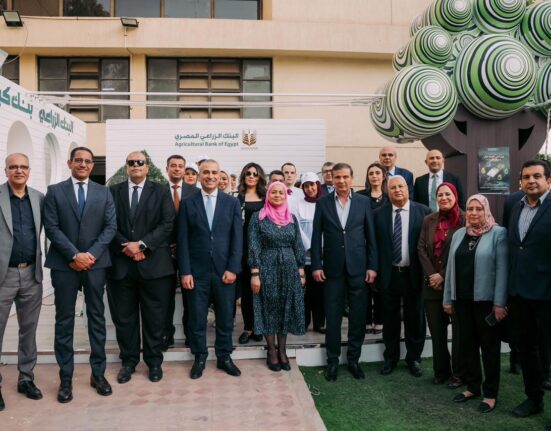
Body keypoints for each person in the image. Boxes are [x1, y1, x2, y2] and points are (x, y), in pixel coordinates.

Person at [44, 147, 117, 403]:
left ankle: (98, 374)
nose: (83, 164)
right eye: (79, 160)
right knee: (64, 321)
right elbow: (51, 227)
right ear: (70, 163)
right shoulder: (55, 191)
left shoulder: (104, 192)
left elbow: (110, 227)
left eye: (87, 161)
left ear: (92, 165)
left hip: (96, 265)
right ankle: (66, 378)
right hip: (65, 265)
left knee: (96, 318)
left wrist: (90, 255)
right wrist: (74, 255)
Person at [107, 151, 175, 385]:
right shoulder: (112, 192)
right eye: (131, 162)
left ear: (147, 167)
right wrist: (126, 246)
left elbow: (167, 224)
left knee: (155, 318)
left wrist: (143, 245)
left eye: (140, 162)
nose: (136, 165)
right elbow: (108, 223)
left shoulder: (161, 190)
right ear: (126, 167)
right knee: (124, 318)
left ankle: (154, 362)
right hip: (122, 265)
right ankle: (129, 361)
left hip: (154, 266)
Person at [311, 162, 378, 382]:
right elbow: (316, 236)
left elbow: (370, 236)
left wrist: (372, 266)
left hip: (359, 268)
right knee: (333, 317)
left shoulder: (363, 202)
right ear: (332, 178)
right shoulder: (322, 203)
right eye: (337, 177)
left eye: (345, 177)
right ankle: (332, 361)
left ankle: (353, 360)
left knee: (358, 316)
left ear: (352, 178)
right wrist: (317, 265)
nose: (341, 181)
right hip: (332, 269)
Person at [178, 159, 243, 379]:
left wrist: (233, 268)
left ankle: (224, 356)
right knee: (197, 318)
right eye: (206, 172)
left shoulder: (231, 203)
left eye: (214, 172)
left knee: (225, 317)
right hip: (196, 273)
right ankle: (200, 357)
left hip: (224, 271)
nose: (210, 176)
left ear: (219, 175)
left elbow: (237, 239)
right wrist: (185, 271)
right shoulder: (188, 203)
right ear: (199, 175)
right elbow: (183, 240)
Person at [443, 194, 507, 413]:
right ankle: (472, 387)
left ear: (486, 210)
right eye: (470, 208)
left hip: (486, 303)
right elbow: (450, 269)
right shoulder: (460, 234)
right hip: (461, 301)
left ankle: (490, 393)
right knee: (467, 346)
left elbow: (502, 271)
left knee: (489, 349)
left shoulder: (498, 234)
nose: (473, 213)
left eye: (478, 208)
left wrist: (500, 303)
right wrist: (447, 298)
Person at [507, 160, 551, 426]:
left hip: (547, 293)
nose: (531, 180)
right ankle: (534, 399)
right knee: (526, 348)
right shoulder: (516, 206)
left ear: (548, 180)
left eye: (537, 176)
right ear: (521, 181)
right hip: (521, 293)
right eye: (526, 177)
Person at [374, 175, 430, 377]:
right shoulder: (378, 214)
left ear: (407, 189)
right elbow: (375, 246)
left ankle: (414, 358)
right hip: (389, 274)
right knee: (390, 319)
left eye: (401, 186)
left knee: (415, 318)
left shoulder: (423, 212)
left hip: (413, 274)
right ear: (387, 191)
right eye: (393, 187)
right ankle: (390, 358)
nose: (397, 190)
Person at [0, 153, 44, 410]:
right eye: (13, 167)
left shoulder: (38, 198)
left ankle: (26, 378)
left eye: (23, 167)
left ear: (29, 170)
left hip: (31, 275)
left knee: (29, 330)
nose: (19, 171)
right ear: (5, 170)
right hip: (2, 276)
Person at [249, 181, 306, 371]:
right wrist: (255, 273)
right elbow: (254, 246)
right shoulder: (258, 217)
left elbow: (298, 244)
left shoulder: (291, 218)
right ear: (268, 195)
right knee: (268, 307)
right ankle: (271, 350)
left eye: (281, 193)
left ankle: (282, 350)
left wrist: (301, 270)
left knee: (285, 308)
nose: (278, 195)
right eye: (274, 192)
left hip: (289, 268)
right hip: (267, 267)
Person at [418, 183, 465, 388]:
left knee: (459, 334)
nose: (444, 197)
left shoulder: (465, 219)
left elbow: (463, 252)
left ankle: (459, 374)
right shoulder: (429, 219)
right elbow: (421, 248)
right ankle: (441, 371)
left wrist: (443, 275)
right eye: (440, 194)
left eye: (448, 194)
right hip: (432, 286)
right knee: (437, 333)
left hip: (455, 285)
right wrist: (432, 275)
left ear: (455, 196)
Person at [162, 155, 198, 352]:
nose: (177, 169)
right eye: (173, 166)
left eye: (180, 166)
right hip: (163, 251)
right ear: (167, 169)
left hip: (189, 252)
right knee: (165, 297)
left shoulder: (195, 192)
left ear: (184, 170)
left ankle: (190, 335)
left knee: (190, 297)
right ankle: (166, 335)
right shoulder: (158, 191)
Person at [236, 163, 267, 345]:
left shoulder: (266, 198)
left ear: (260, 177)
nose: (251, 176)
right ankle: (248, 327)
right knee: (248, 291)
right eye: (248, 173)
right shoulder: (238, 198)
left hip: (264, 249)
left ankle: (259, 326)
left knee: (262, 290)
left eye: (255, 174)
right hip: (243, 249)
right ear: (243, 176)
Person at [291, 172, 325, 334]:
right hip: (305, 256)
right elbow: (297, 229)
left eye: (312, 185)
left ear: (317, 185)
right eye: (306, 186)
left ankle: (320, 323)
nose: (310, 188)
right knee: (304, 293)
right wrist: (311, 247)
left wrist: (322, 248)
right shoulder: (297, 205)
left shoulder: (326, 203)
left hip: (323, 257)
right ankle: (302, 323)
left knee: (320, 292)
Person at [358, 162, 388, 334]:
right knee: (365, 284)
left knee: (380, 285)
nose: (374, 176)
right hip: (363, 245)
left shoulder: (389, 197)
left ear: (384, 176)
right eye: (371, 173)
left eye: (377, 173)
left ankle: (380, 319)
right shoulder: (360, 196)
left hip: (383, 246)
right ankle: (367, 320)